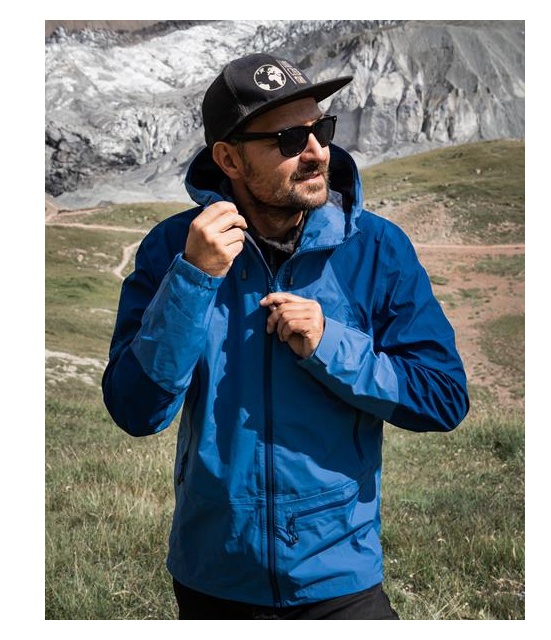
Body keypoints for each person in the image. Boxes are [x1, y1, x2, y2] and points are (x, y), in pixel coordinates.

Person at [102, 52, 469, 620]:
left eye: (321, 129)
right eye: (289, 139)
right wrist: (193, 280)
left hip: (339, 579)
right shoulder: (172, 250)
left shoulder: (377, 248)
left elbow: (443, 398)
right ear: (228, 158)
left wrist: (332, 346)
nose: (317, 151)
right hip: (212, 577)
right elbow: (136, 410)